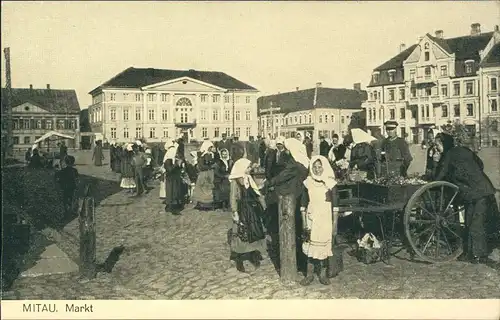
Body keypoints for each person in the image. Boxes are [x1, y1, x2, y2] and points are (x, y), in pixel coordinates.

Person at [434, 133, 499, 264]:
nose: (436, 148)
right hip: (479, 189)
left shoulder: (448, 155)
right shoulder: (464, 150)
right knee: (470, 221)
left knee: (476, 223)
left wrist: (431, 181)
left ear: (444, 144)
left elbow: (441, 175)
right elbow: (480, 164)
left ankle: (479, 255)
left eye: (437, 145)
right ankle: (471, 253)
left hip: (477, 192)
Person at [266, 138, 310, 272]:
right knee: (299, 228)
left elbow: (283, 176)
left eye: (287, 149)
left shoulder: (295, 163)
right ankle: (302, 260)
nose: (286, 151)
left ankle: (295, 262)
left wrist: (269, 183)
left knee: (292, 229)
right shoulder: (305, 160)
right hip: (301, 195)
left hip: (293, 196)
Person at [300, 155, 341, 286]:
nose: (317, 170)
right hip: (312, 218)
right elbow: (303, 204)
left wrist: (334, 224)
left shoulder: (331, 184)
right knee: (310, 247)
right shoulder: (307, 183)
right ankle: (309, 274)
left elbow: (335, 207)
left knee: (323, 247)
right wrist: (304, 222)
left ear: (324, 168)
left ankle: (323, 274)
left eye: (319, 167)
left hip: (325, 219)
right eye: (314, 167)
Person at [228, 158, 267, 273]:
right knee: (242, 232)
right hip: (242, 209)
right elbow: (233, 197)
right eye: (248, 167)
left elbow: (256, 192)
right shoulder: (235, 181)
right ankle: (239, 257)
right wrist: (235, 212)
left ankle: (251, 253)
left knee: (253, 231)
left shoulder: (249, 178)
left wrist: (262, 204)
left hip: (251, 209)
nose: (250, 169)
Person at [191, 140, 216, 210]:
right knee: (203, 188)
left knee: (209, 188)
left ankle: (208, 204)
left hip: (210, 173)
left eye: (211, 147)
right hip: (204, 173)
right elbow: (201, 166)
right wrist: (211, 166)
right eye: (209, 147)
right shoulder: (202, 156)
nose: (210, 149)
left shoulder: (211, 154)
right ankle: (202, 204)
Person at [163, 141, 186, 215]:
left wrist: (181, 166)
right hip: (171, 179)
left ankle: (176, 206)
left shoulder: (174, 160)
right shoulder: (168, 160)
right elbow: (169, 170)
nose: (176, 154)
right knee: (171, 193)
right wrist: (176, 165)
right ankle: (171, 208)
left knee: (176, 192)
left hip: (176, 179)